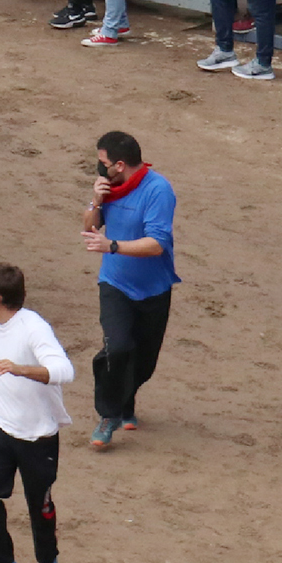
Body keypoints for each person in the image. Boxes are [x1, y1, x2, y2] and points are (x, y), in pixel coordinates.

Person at [0, 261, 72, 563]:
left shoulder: (34, 328)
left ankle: (47, 559)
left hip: (38, 435)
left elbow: (63, 370)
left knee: (39, 506)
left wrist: (21, 370)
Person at [80, 129, 178, 451]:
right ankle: (108, 416)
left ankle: (126, 401)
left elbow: (156, 245)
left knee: (144, 361)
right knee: (117, 347)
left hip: (154, 289)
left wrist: (113, 245)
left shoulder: (158, 191)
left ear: (120, 164)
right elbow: (89, 227)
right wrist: (95, 200)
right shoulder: (110, 188)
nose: (99, 167)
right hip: (115, 284)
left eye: (103, 162)